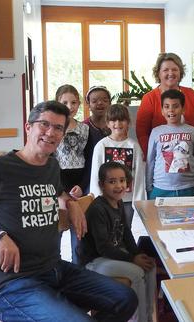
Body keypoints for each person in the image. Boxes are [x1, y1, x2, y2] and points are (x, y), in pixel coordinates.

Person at [0, 101, 137, 321]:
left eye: (59, 128)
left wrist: (71, 203)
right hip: (12, 285)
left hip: (54, 270)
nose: (51, 132)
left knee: (125, 298)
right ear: (28, 127)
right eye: (44, 124)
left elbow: (59, 192)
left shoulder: (52, 167)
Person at [79, 162, 156, 322]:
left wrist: (137, 253)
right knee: (137, 273)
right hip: (95, 261)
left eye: (122, 180)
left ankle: (148, 315)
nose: (119, 185)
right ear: (102, 185)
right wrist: (132, 259)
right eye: (112, 181)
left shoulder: (119, 202)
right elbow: (103, 248)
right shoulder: (98, 209)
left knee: (150, 266)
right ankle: (137, 319)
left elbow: (126, 233)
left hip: (111, 256)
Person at [136, 53, 194, 158]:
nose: (171, 73)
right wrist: (152, 156)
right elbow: (142, 133)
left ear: (180, 72)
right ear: (158, 73)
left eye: (174, 69)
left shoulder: (191, 94)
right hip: (160, 160)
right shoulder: (149, 98)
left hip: (190, 158)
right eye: (165, 70)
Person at [89, 104, 144, 226]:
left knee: (125, 230)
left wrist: (139, 202)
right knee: (107, 229)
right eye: (113, 120)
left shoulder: (134, 146)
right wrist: (97, 198)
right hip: (106, 199)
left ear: (128, 122)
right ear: (107, 123)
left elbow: (139, 175)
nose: (117, 123)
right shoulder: (101, 145)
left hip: (127, 200)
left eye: (122, 120)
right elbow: (95, 174)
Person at [146, 89, 194, 199]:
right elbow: (150, 160)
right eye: (167, 106)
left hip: (188, 188)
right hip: (160, 188)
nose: (171, 110)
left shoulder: (192, 131)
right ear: (162, 110)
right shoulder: (156, 132)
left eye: (175, 106)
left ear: (183, 109)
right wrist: (149, 187)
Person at [54, 84, 88, 264]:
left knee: (79, 234)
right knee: (57, 231)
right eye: (65, 102)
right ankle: (55, 267)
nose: (70, 106)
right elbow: (50, 161)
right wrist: (62, 190)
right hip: (58, 184)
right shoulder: (54, 129)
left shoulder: (85, 129)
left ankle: (78, 268)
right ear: (57, 102)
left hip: (79, 184)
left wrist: (81, 186)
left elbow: (89, 161)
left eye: (74, 102)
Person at [83, 85, 112, 193]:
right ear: (89, 105)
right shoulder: (83, 127)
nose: (100, 103)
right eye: (95, 101)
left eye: (104, 100)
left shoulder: (115, 126)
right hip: (88, 179)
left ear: (110, 103)